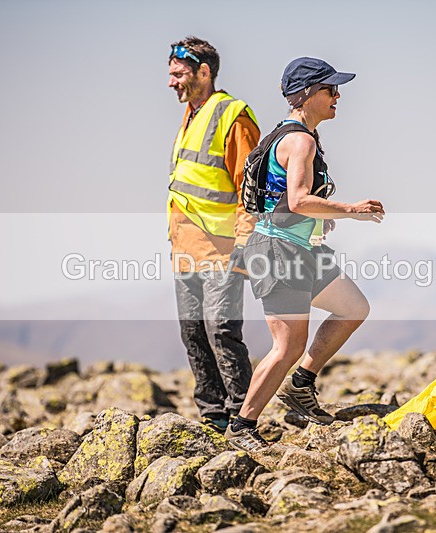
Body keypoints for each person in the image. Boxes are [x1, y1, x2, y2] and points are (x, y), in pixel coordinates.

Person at [225, 57, 385, 451]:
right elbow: (297, 201)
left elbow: (284, 201)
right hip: (279, 251)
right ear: (308, 94)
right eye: (330, 89)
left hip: (299, 247)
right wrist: (351, 210)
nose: (338, 95)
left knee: (353, 307)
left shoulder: (287, 135)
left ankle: (301, 386)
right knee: (288, 346)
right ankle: (242, 427)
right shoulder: (301, 140)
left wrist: (320, 220)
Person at [166, 36, 260, 434]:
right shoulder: (190, 113)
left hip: (225, 248)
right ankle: (212, 416)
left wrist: (244, 243)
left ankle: (242, 417)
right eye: (170, 75)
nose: (172, 82)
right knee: (194, 333)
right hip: (185, 247)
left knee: (222, 331)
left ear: (204, 72)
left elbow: (251, 189)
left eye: (179, 74)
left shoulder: (232, 115)